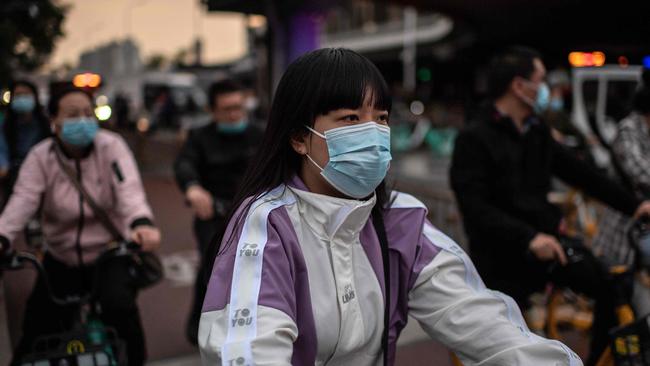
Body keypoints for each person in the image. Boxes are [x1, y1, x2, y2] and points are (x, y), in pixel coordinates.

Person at [198, 48, 582, 365]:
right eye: (350, 118)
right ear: (299, 138)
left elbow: (479, 320)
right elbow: (250, 350)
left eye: (380, 118)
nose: (373, 132)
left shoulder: (400, 219)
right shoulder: (267, 226)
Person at [449, 46, 650, 366]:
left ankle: (597, 360)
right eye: (541, 81)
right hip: (502, 253)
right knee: (506, 339)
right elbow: (477, 210)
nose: (546, 90)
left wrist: (635, 206)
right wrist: (528, 238)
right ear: (519, 86)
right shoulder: (474, 139)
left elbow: (583, 175)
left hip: (549, 244)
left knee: (613, 287)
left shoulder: (537, 130)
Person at [0, 87, 161, 366]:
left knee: (121, 312)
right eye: (73, 115)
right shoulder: (40, 157)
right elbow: (22, 200)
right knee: (36, 327)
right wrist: (2, 235)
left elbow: (129, 192)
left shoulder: (112, 147)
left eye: (88, 113)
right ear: (54, 121)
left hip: (109, 255)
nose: (83, 121)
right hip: (60, 258)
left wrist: (141, 224)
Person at [173, 79, 262, 345]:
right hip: (213, 214)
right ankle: (201, 323)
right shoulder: (199, 138)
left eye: (239, 107)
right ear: (213, 111)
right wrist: (193, 189)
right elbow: (184, 165)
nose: (234, 113)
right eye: (227, 109)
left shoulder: (262, 134)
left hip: (256, 213)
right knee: (214, 269)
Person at [592, 69, 650, 316]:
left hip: (644, 244)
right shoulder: (628, 130)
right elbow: (641, 173)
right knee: (619, 317)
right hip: (624, 241)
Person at [1, 79, 51, 201]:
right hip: (12, 177)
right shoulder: (5, 124)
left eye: (26, 94)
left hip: (42, 175)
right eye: (18, 95)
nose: (22, 98)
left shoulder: (45, 124)